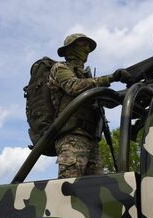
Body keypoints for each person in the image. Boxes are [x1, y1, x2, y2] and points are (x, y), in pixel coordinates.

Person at [48, 33, 130, 178]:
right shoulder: (60, 68)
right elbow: (72, 87)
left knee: (95, 189)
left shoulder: (86, 77)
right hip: (72, 137)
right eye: (82, 45)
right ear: (69, 49)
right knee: (69, 188)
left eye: (87, 46)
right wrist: (110, 78)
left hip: (92, 138)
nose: (86, 49)